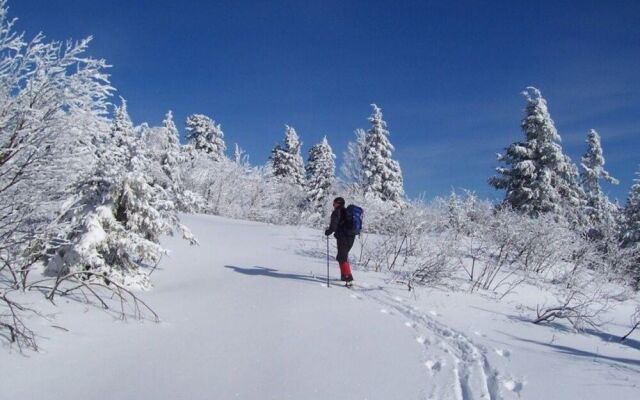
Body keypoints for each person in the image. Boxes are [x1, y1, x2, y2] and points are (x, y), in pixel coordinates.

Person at [324, 197, 355, 286]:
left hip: (343, 237)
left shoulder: (337, 212)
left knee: (342, 257)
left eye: (334, 203)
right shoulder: (347, 212)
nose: (333, 205)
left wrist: (328, 232)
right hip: (351, 237)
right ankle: (344, 275)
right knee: (342, 256)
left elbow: (333, 226)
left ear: (338, 204)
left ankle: (347, 277)